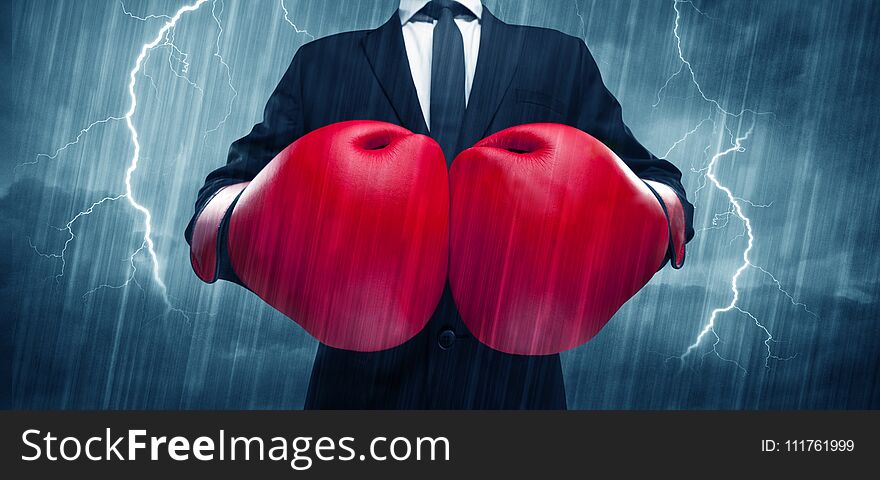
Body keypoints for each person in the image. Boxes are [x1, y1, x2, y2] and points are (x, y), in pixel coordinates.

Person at [185, 0, 695, 409]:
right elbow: (220, 201)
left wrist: (642, 218)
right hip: (361, 407)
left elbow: (654, 183)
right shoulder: (322, 63)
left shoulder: (560, 59)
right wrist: (257, 230)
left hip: (517, 405)